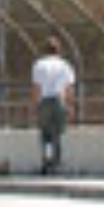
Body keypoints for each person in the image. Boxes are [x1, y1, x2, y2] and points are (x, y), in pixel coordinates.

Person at [30, 37, 76, 176]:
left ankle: (46, 161)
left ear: (45, 50)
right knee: (57, 133)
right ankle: (55, 163)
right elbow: (69, 88)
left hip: (44, 100)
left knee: (45, 134)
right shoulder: (65, 65)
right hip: (58, 100)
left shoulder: (39, 65)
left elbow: (36, 87)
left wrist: (34, 105)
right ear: (59, 50)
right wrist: (70, 105)